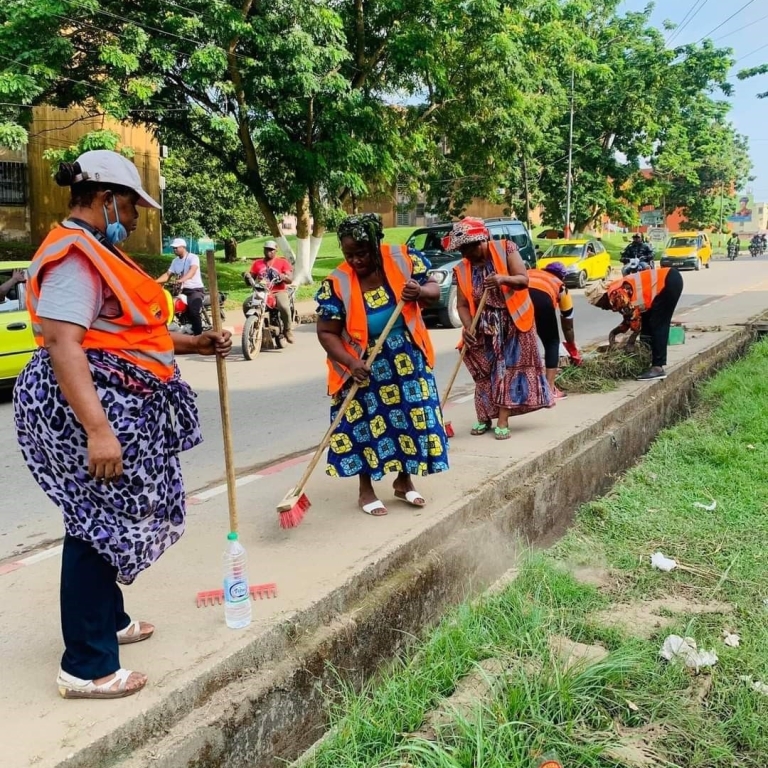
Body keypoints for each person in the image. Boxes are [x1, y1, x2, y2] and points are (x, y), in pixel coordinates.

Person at [13, 150, 232, 700]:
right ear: (106, 197)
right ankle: (86, 666)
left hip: (118, 400)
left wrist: (193, 343)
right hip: (91, 410)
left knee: (106, 516)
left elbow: (122, 333)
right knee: (94, 524)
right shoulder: (73, 257)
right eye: (133, 205)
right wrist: (97, 430)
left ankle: (108, 620)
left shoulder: (98, 251)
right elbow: (65, 342)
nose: (136, 217)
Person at [315, 213, 448, 516]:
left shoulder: (403, 259)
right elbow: (326, 332)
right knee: (365, 426)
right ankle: (366, 490)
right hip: (363, 364)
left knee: (412, 419)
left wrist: (420, 291)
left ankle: (404, 482)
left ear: (376, 244)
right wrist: (351, 363)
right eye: (349, 254)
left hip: (407, 359)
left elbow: (434, 290)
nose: (356, 260)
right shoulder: (336, 282)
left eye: (362, 252)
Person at [450, 217, 552, 439]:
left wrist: (502, 279)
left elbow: (523, 280)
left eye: (467, 249)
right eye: (460, 250)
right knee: (484, 371)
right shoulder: (462, 268)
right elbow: (462, 304)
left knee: (507, 370)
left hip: (514, 321)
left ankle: (503, 419)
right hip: (483, 324)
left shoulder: (506, 248)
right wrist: (468, 327)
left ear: (481, 242)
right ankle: (484, 417)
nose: (464, 255)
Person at [585, 267, 683, 381]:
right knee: (647, 322)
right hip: (669, 279)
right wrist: (614, 333)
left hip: (667, 282)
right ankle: (647, 359)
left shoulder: (616, 295)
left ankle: (658, 367)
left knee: (657, 323)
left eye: (601, 305)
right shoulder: (616, 290)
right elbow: (629, 319)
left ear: (603, 297)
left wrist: (630, 343)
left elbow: (634, 320)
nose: (603, 308)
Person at [527, 262, 581, 398]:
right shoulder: (560, 285)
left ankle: (521, 388)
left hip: (517, 299)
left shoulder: (531, 272)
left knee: (521, 343)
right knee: (552, 342)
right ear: (562, 276)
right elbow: (567, 325)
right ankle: (549, 390)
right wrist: (573, 349)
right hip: (542, 300)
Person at [156, 238, 205, 335]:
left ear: (183, 247)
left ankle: (199, 337)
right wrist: (154, 282)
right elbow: (167, 275)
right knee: (172, 307)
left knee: (194, 312)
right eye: (173, 248)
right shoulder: (175, 261)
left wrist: (181, 280)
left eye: (176, 248)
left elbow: (192, 271)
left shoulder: (193, 257)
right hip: (181, 291)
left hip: (195, 290)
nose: (174, 250)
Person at [250, 240, 295, 343]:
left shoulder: (282, 262)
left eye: (271, 250)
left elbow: (290, 279)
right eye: (267, 249)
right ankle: (254, 324)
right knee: (246, 305)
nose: (269, 252)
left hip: (278, 291)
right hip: (262, 291)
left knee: (284, 307)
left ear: (276, 251)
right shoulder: (257, 263)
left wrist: (283, 277)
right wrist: (247, 277)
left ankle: (287, 330)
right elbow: (251, 279)